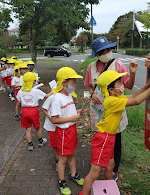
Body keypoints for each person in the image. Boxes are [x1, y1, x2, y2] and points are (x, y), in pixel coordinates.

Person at [80, 70, 150, 195]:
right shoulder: (112, 101)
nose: (122, 85)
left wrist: (148, 85)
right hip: (103, 139)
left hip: (110, 138)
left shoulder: (114, 97)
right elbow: (136, 101)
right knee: (94, 173)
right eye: (118, 83)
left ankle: (108, 189)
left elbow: (134, 96)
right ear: (110, 89)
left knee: (110, 166)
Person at [84, 36, 138, 180]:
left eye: (108, 49)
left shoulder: (118, 65)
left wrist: (132, 73)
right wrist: (91, 94)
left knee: (116, 138)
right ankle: (100, 161)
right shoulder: (92, 67)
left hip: (115, 108)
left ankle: (113, 168)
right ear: (96, 54)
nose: (106, 53)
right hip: (97, 109)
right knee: (101, 137)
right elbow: (89, 84)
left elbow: (129, 86)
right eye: (102, 51)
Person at [50, 67, 84, 195]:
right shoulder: (57, 98)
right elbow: (54, 120)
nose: (74, 85)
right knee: (63, 158)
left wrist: (77, 113)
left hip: (72, 130)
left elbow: (67, 112)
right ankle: (61, 181)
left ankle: (73, 174)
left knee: (72, 154)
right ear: (64, 83)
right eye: (73, 82)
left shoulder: (68, 95)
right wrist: (72, 118)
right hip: (63, 132)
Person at [16, 72, 52, 151]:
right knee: (37, 127)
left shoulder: (20, 91)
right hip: (33, 110)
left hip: (24, 111)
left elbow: (18, 101)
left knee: (28, 129)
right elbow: (46, 96)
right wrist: (52, 91)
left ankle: (30, 145)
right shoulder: (36, 91)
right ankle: (40, 141)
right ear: (33, 82)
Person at [42, 93, 59, 169]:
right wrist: (51, 118)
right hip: (52, 127)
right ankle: (57, 159)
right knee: (54, 144)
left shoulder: (68, 96)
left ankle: (63, 158)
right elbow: (43, 108)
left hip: (62, 126)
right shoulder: (52, 97)